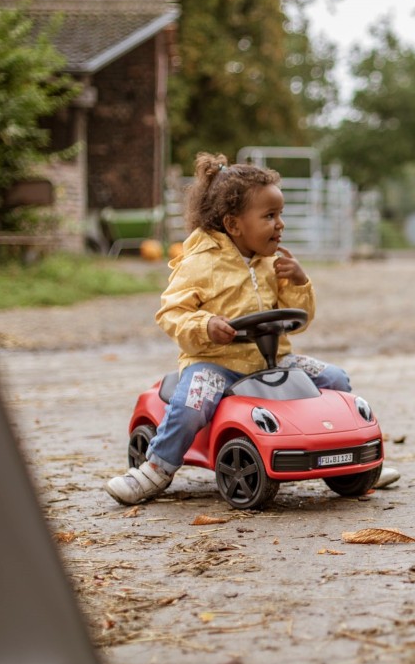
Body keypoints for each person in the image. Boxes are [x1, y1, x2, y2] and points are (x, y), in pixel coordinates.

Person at [105, 152, 398, 505]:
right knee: (192, 404)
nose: (280, 224)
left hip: (274, 362)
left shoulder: (274, 262)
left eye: (280, 214)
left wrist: (300, 283)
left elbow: (300, 319)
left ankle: (351, 459)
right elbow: (171, 313)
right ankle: (156, 468)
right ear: (234, 224)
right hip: (218, 364)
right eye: (269, 216)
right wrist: (205, 324)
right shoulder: (199, 264)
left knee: (335, 378)